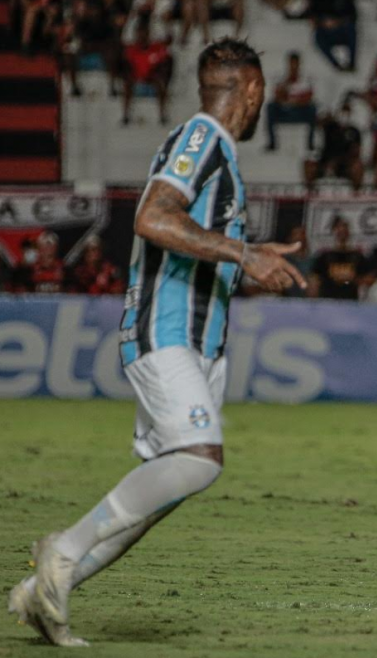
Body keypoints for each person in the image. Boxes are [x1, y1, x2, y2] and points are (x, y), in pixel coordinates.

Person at [7, 39, 306, 648]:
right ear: (251, 90)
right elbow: (152, 216)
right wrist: (245, 253)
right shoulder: (201, 138)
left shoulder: (218, 153)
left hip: (199, 343)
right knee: (199, 458)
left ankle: (43, 592)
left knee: (162, 489)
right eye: (262, 94)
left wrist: (247, 255)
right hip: (166, 330)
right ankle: (63, 551)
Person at [121, 16, 174, 126]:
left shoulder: (156, 48)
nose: (142, 36)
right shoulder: (131, 50)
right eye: (139, 34)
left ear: (148, 34)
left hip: (151, 78)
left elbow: (167, 58)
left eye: (144, 34)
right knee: (127, 84)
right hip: (136, 78)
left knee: (160, 84)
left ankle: (163, 114)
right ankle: (126, 115)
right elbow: (125, 66)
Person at [265, 52, 317, 152]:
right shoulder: (281, 79)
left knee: (313, 108)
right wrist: (286, 85)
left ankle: (310, 144)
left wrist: (293, 101)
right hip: (284, 111)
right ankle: (272, 143)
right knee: (270, 107)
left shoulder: (305, 80)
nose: (293, 67)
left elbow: (308, 98)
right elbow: (277, 97)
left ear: (299, 64)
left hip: (300, 111)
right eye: (291, 64)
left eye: (295, 64)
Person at [308, 215, 370, 299]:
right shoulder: (324, 255)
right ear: (334, 231)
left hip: (350, 300)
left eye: (344, 227)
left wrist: (354, 279)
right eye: (338, 227)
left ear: (348, 232)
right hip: (328, 300)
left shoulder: (357, 255)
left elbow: (367, 278)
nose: (342, 230)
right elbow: (314, 277)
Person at [305, 103, 364, 189]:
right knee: (308, 164)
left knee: (358, 166)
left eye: (347, 113)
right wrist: (327, 118)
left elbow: (356, 153)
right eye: (342, 113)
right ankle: (310, 191)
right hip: (325, 162)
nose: (344, 116)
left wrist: (338, 161)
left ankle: (357, 192)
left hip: (344, 165)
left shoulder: (354, 131)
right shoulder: (329, 127)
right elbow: (318, 125)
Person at [310, 0, 358, 72]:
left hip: (342, 29)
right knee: (318, 36)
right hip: (325, 30)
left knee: (351, 31)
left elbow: (353, 16)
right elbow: (312, 16)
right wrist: (324, 23)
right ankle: (336, 65)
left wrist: (338, 22)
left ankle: (352, 63)